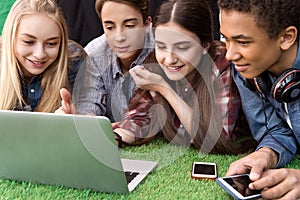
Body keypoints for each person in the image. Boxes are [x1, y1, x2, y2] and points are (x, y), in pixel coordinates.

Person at [113, 0, 257, 154]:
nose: (169, 59)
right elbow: (139, 120)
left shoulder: (223, 64)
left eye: (181, 47)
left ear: (204, 46)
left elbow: (216, 139)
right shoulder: (155, 63)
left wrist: (163, 88)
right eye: (161, 46)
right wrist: (115, 137)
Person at [218, 0, 300, 199]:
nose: (229, 54)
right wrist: (266, 154)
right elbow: (277, 130)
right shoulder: (248, 71)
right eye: (224, 38)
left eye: (243, 42)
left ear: (286, 37)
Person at [57, 0, 154, 121]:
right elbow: (91, 106)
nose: (119, 37)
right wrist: (78, 117)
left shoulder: (164, 50)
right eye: (110, 27)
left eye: (129, 26)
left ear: (147, 24)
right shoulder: (94, 54)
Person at [0, 0, 86, 112]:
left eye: (51, 44)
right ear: (10, 38)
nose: (40, 54)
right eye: (29, 42)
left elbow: (90, 117)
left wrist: (73, 121)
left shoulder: (74, 61)